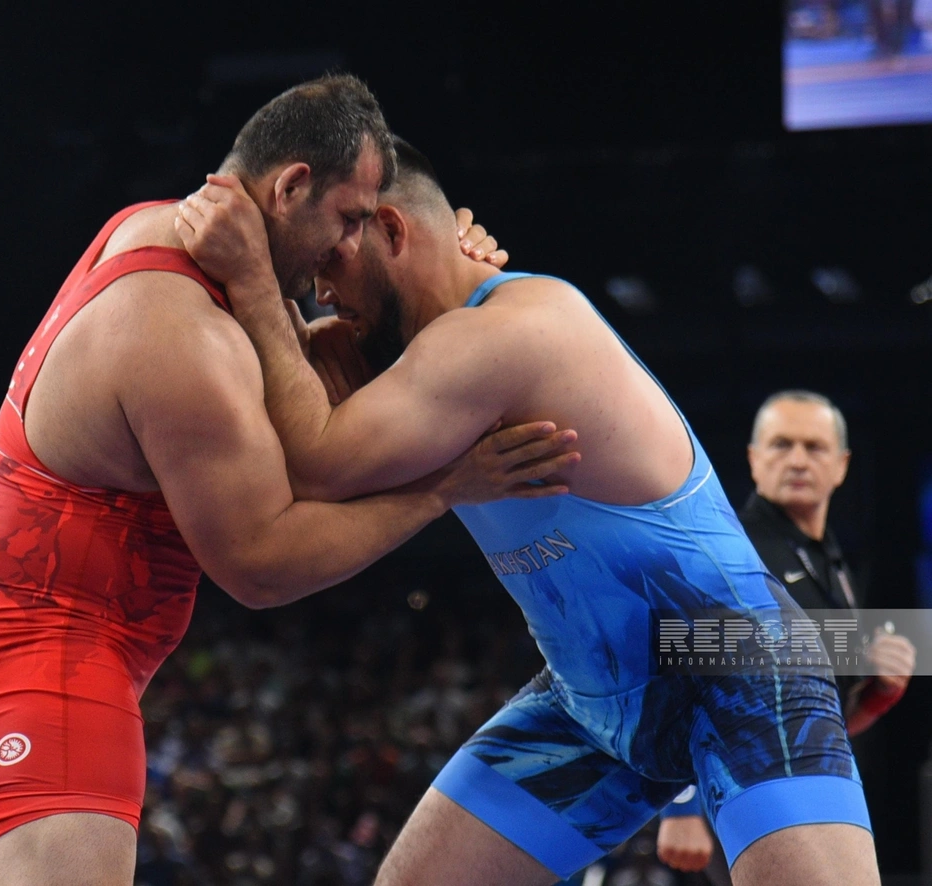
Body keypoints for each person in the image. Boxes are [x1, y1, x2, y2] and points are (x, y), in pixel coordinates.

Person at [0, 75, 579, 886]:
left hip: (8, 636)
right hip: (39, 653)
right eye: (349, 218)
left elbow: (300, 387)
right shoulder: (182, 335)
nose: (351, 247)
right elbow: (262, 566)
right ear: (291, 186)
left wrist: (437, 271)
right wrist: (444, 489)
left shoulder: (159, 229)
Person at [177, 139, 882, 885]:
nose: (323, 291)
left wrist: (255, 282)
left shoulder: (506, 333)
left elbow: (317, 465)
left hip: (737, 671)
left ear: (391, 230)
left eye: (332, 261)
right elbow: (292, 395)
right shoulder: (414, 353)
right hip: (591, 703)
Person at [655, 390, 917, 883]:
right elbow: (675, 668)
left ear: (841, 466)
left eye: (814, 447)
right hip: (740, 792)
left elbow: (811, 712)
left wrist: (875, 697)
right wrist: (680, 807)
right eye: (781, 444)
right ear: (754, 459)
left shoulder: (831, 562)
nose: (797, 460)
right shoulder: (730, 547)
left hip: (811, 788)